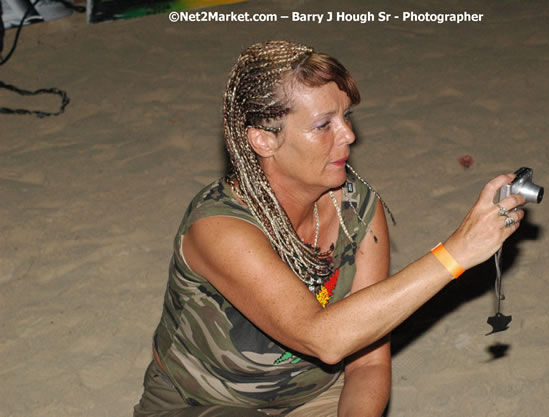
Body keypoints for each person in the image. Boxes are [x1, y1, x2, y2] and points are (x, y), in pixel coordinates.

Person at [133, 40, 526, 417]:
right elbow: (323, 339)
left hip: (315, 398)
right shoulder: (219, 227)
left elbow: (368, 363)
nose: (349, 135)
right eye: (324, 124)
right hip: (203, 404)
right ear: (264, 140)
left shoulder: (357, 208)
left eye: (346, 116)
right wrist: (456, 253)